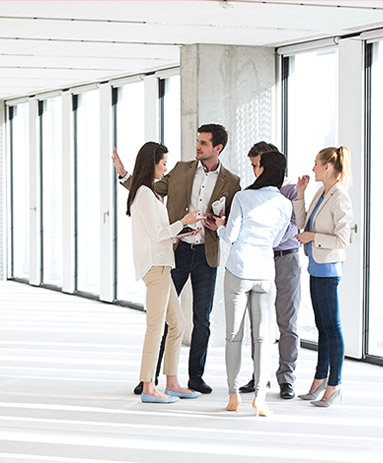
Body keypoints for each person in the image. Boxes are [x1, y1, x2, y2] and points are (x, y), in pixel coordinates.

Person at [113, 124, 241, 395]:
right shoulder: (180, 170)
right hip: (176, 251)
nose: (197, 146)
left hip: (206, 252)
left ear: (217, 148)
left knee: (197, 319)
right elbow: (147, 189)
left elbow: (232, 219)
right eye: (197, 141)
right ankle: (149, 380)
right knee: (160, 322)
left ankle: (191, 377)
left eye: (203, 143)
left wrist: (219, 222)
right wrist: (125, 175)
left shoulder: (231, 181)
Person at [205, 151, 291, 417]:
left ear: (264, 168)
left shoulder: (243, 197)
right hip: (265, 273)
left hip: (239, 270)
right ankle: (261, 398)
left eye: (257, 165)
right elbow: (276, 241)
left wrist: (217, 226)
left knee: (234, 335)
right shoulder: (284, 204)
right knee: (263, 337)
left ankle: (233, 395)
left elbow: (230, 236)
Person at [126, 141, 207, 403]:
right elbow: (157, 233)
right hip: (156, 266)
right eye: (163, 163)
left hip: (163, 264)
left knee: (178, 324)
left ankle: (171, 382)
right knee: (156, 327)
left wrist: (185, 230)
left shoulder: (151, 194)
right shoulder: (144, 194)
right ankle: (149, 386)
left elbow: (162, 232)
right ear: (152, 163)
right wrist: (182, 222)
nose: (165, 167)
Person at [238, 142, 301, 400]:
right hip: (259, 261)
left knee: (287, 322)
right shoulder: (251, 194)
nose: (255, 171)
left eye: (257, 165)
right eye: (253, 166)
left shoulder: (293, 191)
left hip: (286, 260)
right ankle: (259, 376)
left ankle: (286, 379)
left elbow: (294, 228)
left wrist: (270, 234)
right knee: (258, 323)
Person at [293, 146, 353, 408]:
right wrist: (300, 195)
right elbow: (303, 223)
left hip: (329, 269)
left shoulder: (340, 197)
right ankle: (319, 379)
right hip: (316, 267)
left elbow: (343, 239)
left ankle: (334, 384)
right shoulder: (321, 192)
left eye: (316, 163)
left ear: (328, 166)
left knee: (332, 327)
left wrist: (314, 237)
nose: (313, 167)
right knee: (322, 326)